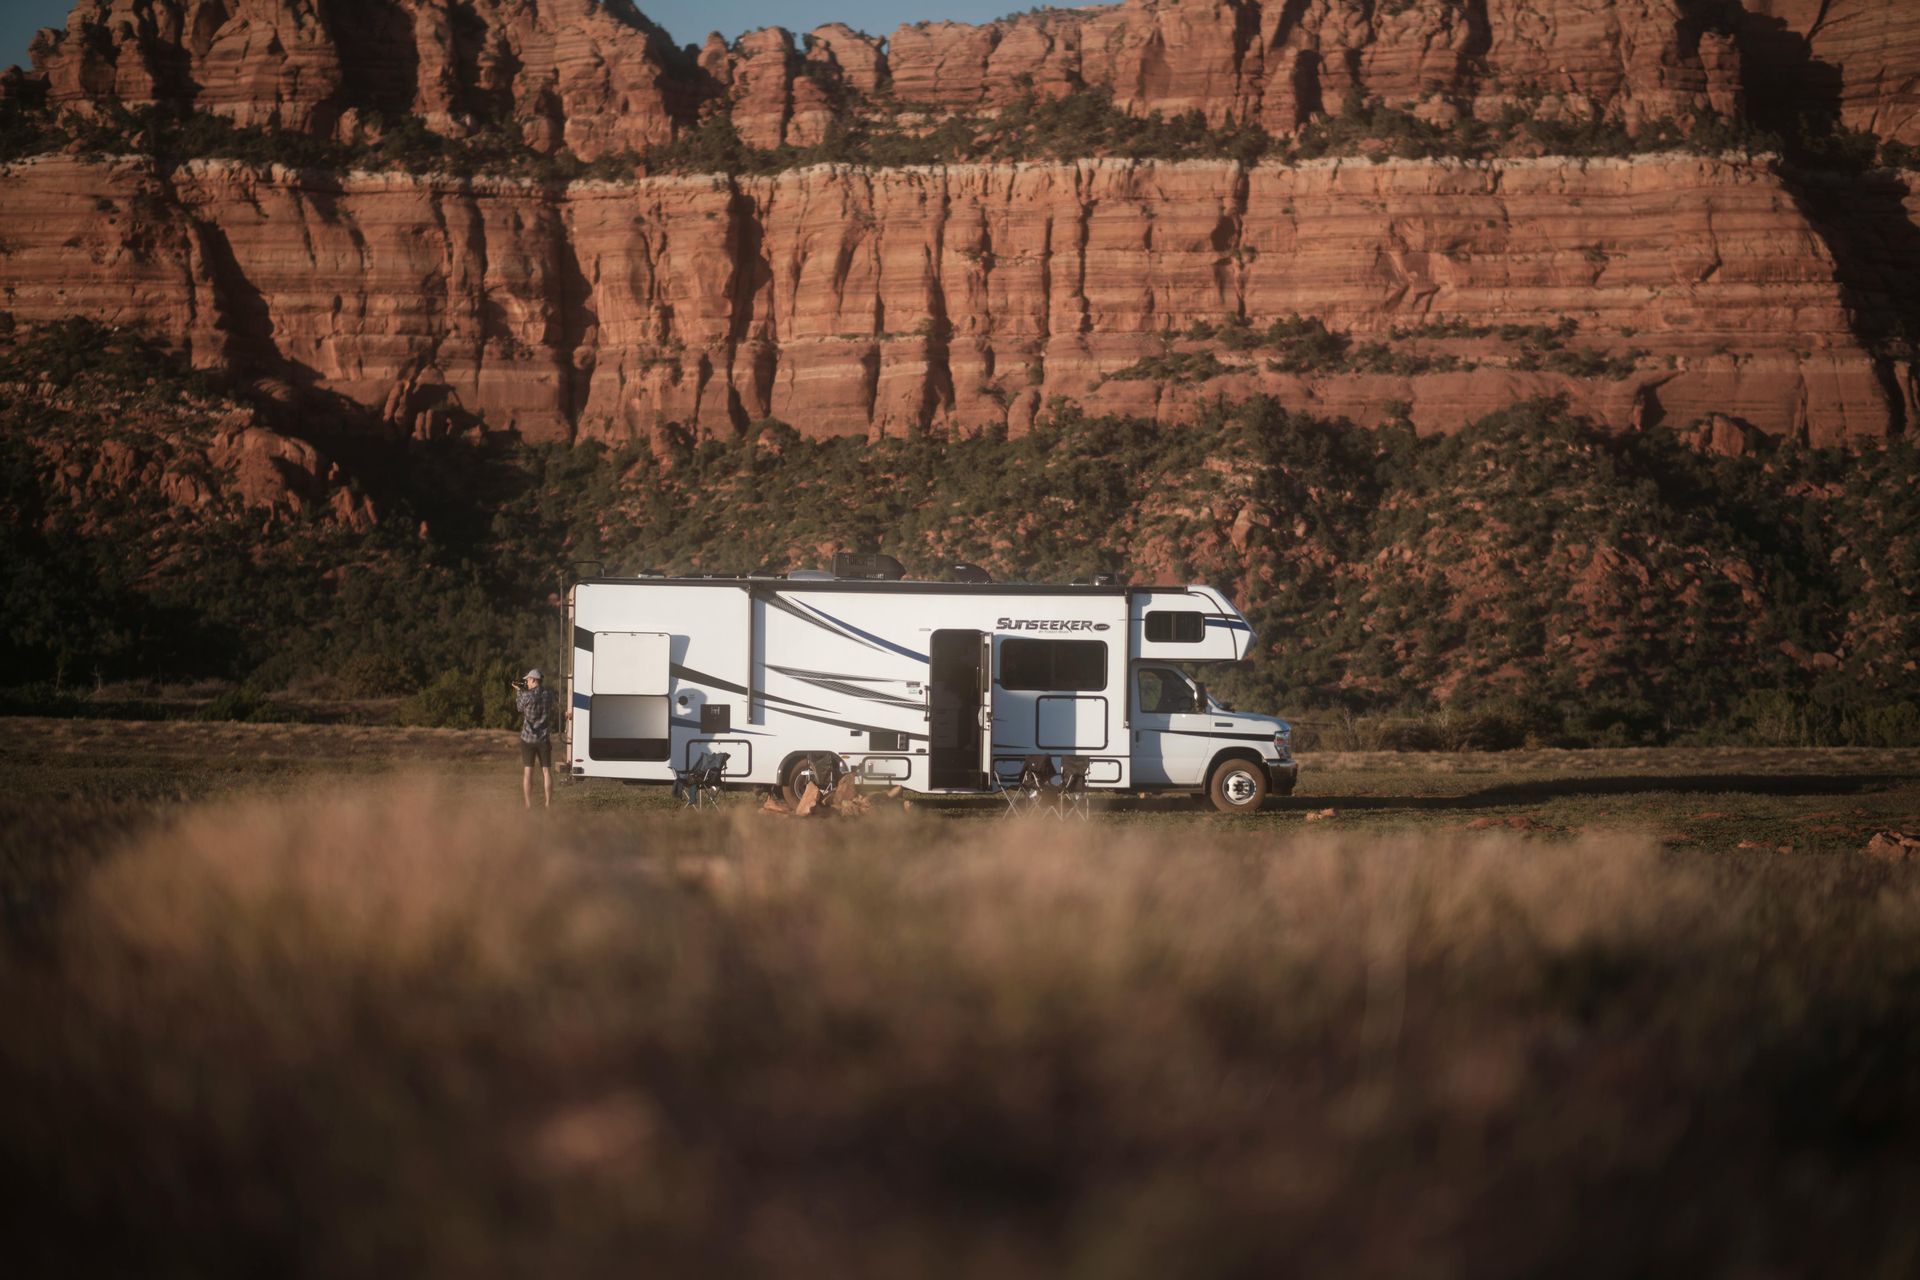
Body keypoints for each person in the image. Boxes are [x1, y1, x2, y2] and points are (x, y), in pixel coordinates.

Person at [513, 668, 557, 809]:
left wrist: (519, 691)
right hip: (543, 738)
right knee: (546, 771)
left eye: (527, 680)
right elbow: (552, 708)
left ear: (533, 679)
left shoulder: (526, 696)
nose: (526, 682)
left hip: (528, 739)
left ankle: (528, 804)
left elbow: (519, 708)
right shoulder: (548, 695)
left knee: (528, 772)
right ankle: (548, 803)